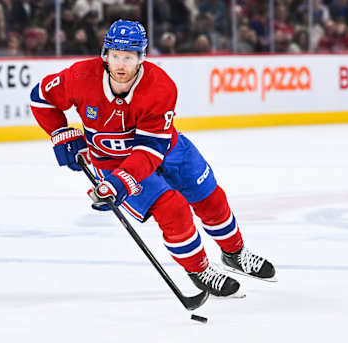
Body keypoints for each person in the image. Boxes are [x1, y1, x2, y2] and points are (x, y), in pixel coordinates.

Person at [30, 19, 276, 297]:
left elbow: (149, 150)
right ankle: (199, 269)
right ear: (105, 55)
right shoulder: (79, 77)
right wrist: (60, 132)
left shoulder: (161, 87)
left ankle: (235, 254)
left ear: (141, 58)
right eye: (115, 56)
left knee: (211, 198)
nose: (121, 65)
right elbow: (41, 98)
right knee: (174, 210)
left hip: (167, 149)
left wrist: (120, 183)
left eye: (129, 57)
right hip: (112, 162)